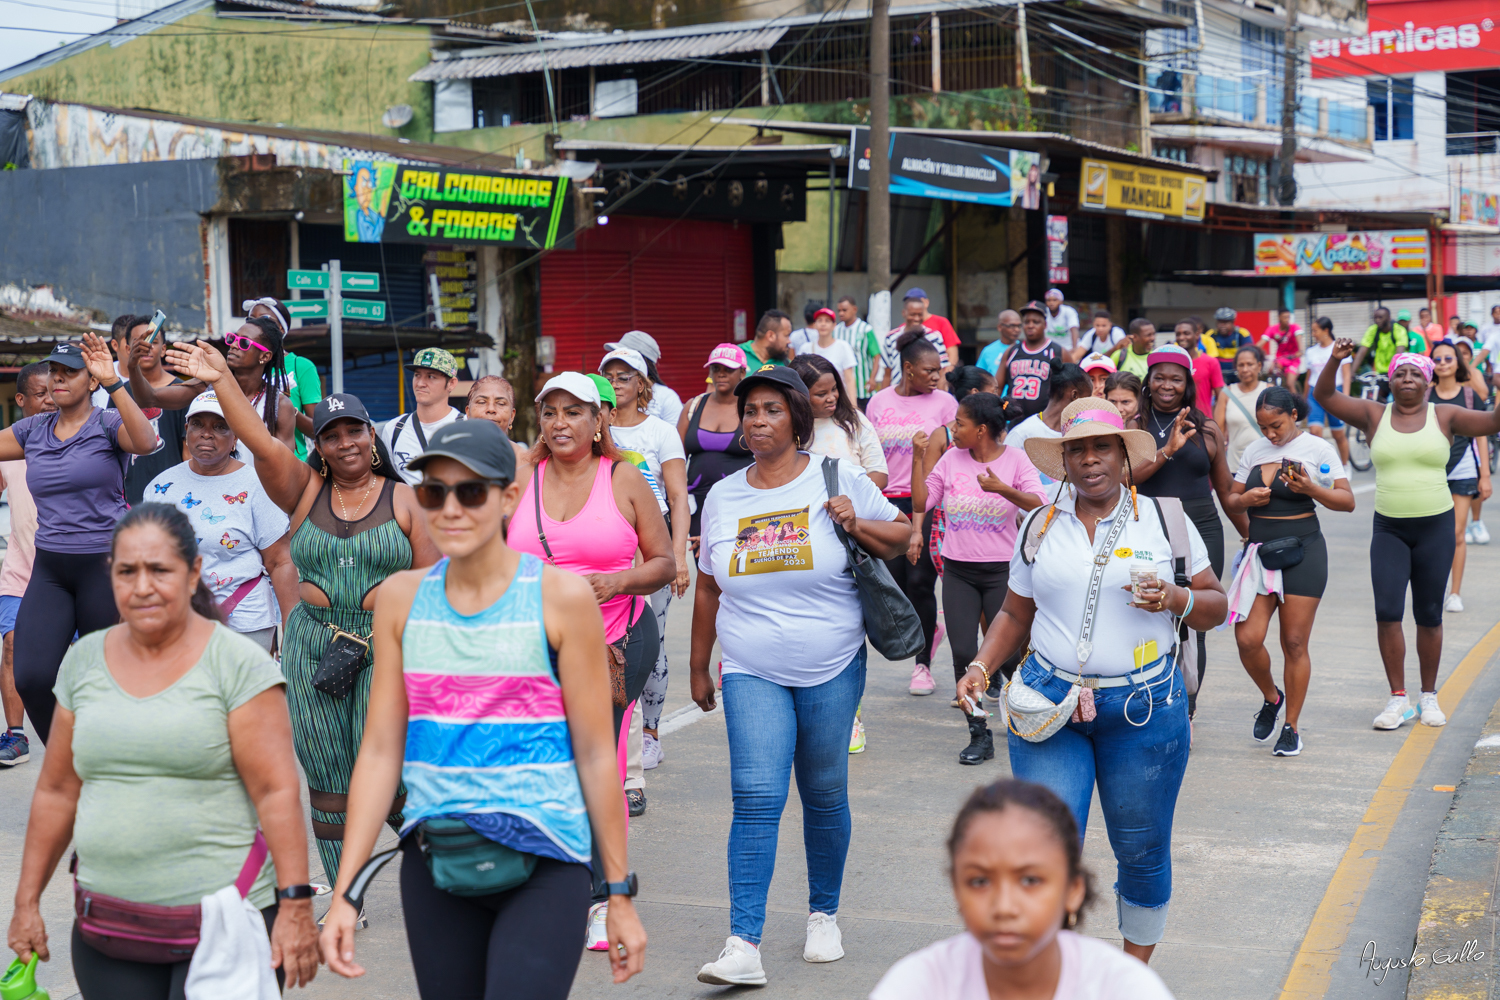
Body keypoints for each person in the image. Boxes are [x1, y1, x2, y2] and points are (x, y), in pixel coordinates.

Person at [319, 420, 647, 997]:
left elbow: (597, 754)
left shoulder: (560, 597)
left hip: (546, 859)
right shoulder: (402, 598)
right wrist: (346, 892)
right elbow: (380, 750)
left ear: (509, 497)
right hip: (436, 859)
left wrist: (617, 893)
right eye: (433, 492)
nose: (450, 508)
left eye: (470, 491)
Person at [6, 504, 320, 997]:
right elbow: (58, 791)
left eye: (160, 570)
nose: (143, 586)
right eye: (127, 571)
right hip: (108, 928)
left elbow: (277, 792)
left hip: (225, 925)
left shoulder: (237, 664)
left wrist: (296, 906)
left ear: (194, 572)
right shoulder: (85, 661)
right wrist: (26, 902)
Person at [957, 398, 1226, 964]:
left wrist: (1175, 599)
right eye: (1076, 450)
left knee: (1142, 849)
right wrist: (981, 666)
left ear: (1123, 454)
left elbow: (1216, 605)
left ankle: (1131, 974)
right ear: (1064, 461)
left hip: (1144, 708)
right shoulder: (1039, 524)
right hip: (1048, 704)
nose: (1090, 460)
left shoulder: (1164, 519)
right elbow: (1012, 614)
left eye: (1101, 447)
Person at [165, 338, 442, 888]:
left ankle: (438, 866)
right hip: (312, 642)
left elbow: (434, 589)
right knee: (325, 773)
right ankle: (346, 892)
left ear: (372, 437)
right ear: (320, 445)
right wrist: (222, 379)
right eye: (331, 436)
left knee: (392, 772)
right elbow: (261, 443)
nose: (344, 444)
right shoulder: (303, 491)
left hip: (385, 646)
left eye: (354, 432)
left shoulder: (406, 501)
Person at [690, 365, 908, 986]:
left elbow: (902, 535)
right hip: (751, 666)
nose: (757, 422)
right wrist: (698, 661)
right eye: (749, 411)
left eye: (771, 411)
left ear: (797, 419)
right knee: (756, 797)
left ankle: (823, 914)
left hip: (831, 664)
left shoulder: (834, 477)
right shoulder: (726, 494)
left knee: (823, 792)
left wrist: (853, 521)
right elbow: (708, 583)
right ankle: (742, 943)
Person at [506, 371, 674, 950]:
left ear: (598, 418)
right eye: (549, 413)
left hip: (615, 643)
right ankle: (552, 887)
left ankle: (607, 897)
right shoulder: (522, 477)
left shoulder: (624, 477)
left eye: (573, 412)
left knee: (599, 766)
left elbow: (664, 561)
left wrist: (618, 580)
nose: (560, 424)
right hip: (534, 648)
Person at [1314, 345, 1500, 730]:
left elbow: (1493, 422)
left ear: (1429, 382)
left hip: (1436, 528)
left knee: (1429, 615)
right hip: (1390, 529)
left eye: (1416, 374)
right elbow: (1324, 396)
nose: (1408, 380)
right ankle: (1398, 699)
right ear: (1391, 380)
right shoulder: (1373, 415)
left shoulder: (1445, 415)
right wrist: (1335, 359)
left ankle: (1428, 696)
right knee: (1387, 612)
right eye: (1401, 374)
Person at [869, 780, 1174, 1000]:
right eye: (979, 881)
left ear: (1073, 889)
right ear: (955, 889)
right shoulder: (919, 985)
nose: (1004, 907)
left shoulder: (1123, 988)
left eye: (1030, 880)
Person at [3, 338, 159, 745]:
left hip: (104, 566)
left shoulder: (106, 424)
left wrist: (115, 383)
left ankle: (114, 765)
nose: (58, 378)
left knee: (102, 682)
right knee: (32, 676)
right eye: (54, 370)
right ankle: (71, 759)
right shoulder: (32, 429)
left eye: (70, 371)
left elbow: (145, 442)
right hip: (51, 568)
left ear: (91, 381)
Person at [1223, 388, 1354, 757]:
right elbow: (1232, 497)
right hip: (1260, 554)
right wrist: (1244, 501)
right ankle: (1271, 696)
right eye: (1264, 427)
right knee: (1247, 638)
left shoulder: (1318, 449)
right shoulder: (1254, 451)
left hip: (1304, 551)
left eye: (1276, 426)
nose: (1270, 435)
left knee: (1294, 643)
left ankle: (1291, 727)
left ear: (1293, 414)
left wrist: (1311, 487)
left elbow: (1347, 501)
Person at [922, 392, 1046, 764]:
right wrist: (917, 458)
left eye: (959, 423)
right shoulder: (950, 459)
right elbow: (922, 501)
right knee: (964, 652)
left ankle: (1031, 713)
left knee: (1008, 656)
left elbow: (1041, 505)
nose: (953, 429)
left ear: (981, 430)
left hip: (1002, 574)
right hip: (957, 570)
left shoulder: (1016, 460)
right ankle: (979, 734)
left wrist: (1003, 489)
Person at [1131, 344, 1248, 712]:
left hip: (1202, 525)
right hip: (1149, 527)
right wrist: (1167, 448)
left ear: (1188, 383)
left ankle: (1187, 706)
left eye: (1176, 379)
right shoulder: (1133, 427)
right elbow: (1124, 480)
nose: (1167, 385)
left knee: (1194, 621)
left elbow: (1226, 490)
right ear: (1148, 381)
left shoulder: (1208, 428)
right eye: (1160, 377)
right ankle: (1152, 697)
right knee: (1149, 612)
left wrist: (1250, 533)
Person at [599, 347, 690, 794]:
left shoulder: (660, 432)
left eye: (624, 376)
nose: (616, 383)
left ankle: (650, 732)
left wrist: (678, 557)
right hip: (606, 550)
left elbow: (677, 498)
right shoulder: (595, 427)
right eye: (609, 376)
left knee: (647, 641)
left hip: (650, 551)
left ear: (642, 384)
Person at [144, 391, 296, 652]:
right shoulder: (160, 487)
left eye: (220, 427)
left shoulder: (257, 485)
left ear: (236, 436)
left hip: (245, 624)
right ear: (186, 430)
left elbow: (280, 561)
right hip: (177, 622)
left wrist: (294, 634)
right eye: (198, 424)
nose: (206, 433)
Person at [866, 331, 958, 696]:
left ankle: (922, 665)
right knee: (894, 583)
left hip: (927, 501)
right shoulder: (878, 402)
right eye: (930, 370)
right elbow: (871, 454)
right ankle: (931, 630)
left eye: (939, 370)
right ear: (908, 369)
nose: (937, 376)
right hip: (885, 503)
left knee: (921, 581)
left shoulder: (945, 404)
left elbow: (953, 453)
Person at [128, 316, 297, 456]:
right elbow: (148, 399)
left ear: (265, 356)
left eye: (244, 343)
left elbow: (285, 467)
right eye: (233, 338)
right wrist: (133, 366)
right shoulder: (209, 386)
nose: (234, 345)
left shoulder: (279, 405)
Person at [0, 362, 52, 767]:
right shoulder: (9, 446)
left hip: (71, 571)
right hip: (20, 569)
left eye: (57, 390)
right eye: (41, 394)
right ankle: (16, 735)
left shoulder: (78, 438)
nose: (51, 399)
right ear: (21, 401)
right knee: (13, 646)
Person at [1428, 341, 1492, 612]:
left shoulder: (1469, 397)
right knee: (1431, 535)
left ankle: (1454, 593)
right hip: (1429, 470)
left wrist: (1485, 475)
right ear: (1431, 364)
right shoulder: (1423, 396)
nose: (1443, 363)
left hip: (1463, 468)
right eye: (1438, 359)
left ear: (1457, 363)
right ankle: (1433, 588)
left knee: (1456, 533)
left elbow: (1480, 435)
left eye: (1448, 358)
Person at [679, 345, 754, 548]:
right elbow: (676, 459)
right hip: (699, 505)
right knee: (703, 564)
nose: (720, 374)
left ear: (742, 372)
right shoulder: (693, 406)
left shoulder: (751, 408)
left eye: (727, 369)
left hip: (741, 502)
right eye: (715, 369)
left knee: (737, 564)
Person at [109, 315, 188, 506]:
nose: (146, 347)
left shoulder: (182, 392)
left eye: (153, 341)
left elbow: (189, 454)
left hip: (174, 497)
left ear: (163, 349)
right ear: (127, 349)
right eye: (139, 342)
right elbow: (111, 450)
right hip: (129, 498)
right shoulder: (120, 394)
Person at [795, 354, 888, 490]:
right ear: (799, 396)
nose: (832, 398)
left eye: (834, 389)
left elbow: (879, 474)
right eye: (821, 394)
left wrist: (848, 500)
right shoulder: (789, 428)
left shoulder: (854, 420)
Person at [244, 298, 322, 460]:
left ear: (280, 328)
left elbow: (318, 430)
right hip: (246, 463)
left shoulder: (301, 366)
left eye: (264, 319)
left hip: (292, 463)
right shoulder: (244, 366)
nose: (256, 325)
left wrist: (287, 409)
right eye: (251, 320)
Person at [382, 347, 464, 485]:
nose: (420, 383)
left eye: (431, 376)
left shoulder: (467, 427)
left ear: (451, 383)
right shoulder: (394, 429)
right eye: (417, 375)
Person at [1002, 366, 1093, 471]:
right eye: (1086, 400)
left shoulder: (1078, 434)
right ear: (1074, 395)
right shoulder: (1022, 434)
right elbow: (1003, 477)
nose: (1086, 407)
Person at [995, 302, 1067, 428]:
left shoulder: (1057, 352)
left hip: (1046, 423)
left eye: (1035, 322)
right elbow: (997, 387)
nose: (1030, 325)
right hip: (1014, 423)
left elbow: (1073, 386)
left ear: (1045, 325)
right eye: (1027, 322)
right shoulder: (1012, 352)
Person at [1305, 318, 1353, 475]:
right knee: (1315, 432)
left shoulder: (1339, 348)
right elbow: (1308, 377)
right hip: (1314, 394)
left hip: (1335, 392)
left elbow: (1346, 375)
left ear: (1326, 331)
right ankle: (1318, 468)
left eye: (1315, 330)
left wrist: (1345, 397)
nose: (1313, 334)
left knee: (1338, 434)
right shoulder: (1311, 351)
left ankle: (1345, 466)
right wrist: (1304, 400)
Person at [605, 330, 682, 428]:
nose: (615, 385)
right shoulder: (607, 391)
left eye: (623, 378)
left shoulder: (667, 398)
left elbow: (674, 436)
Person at [1215, 345, 1270, 474]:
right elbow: (1218, 432)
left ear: (1259, 366)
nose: (1245, 369)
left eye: (1250, 364)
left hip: (1267, 464)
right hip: (1235, 466)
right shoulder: (1226, 394)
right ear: (1236, 368)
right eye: (1241, 365)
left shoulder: (1269, 391)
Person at [876, 299, 949, 390]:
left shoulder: (934, 337)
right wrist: (884, 397)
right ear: (904, 313)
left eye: (920, 314)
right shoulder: (891, 337)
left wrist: (941, 397)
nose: (916, 318)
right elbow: (887, 372)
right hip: (898, 393)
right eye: (912, 314)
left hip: (927, 393)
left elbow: (941, 372)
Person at [465, 373, 532, 473]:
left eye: (500, 403)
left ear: (512, 416)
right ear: (468, 413)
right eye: (482, 402)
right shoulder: (450, 456)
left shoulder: (528, 462)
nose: (491, 409)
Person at [829, 295, 882, 405]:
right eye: (839, 311)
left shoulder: (865, 329)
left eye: (844, 310)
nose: (841, 313)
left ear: (854, 309)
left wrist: (872, 379)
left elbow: (876, 356)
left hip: (863, 388)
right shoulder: (836, 330)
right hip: (843, 388)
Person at [796, 307, 858, 400]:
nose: (823, 324)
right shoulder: (805, 348)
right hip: (811, 402)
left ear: (834, 325)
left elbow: (849, 380)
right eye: (819, 321)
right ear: (814, 324)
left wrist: (853, 405)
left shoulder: (843, 347)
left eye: (827, 321)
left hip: (837, 400)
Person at [1175, 319, 1224, 415]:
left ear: (1197, 335)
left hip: (1203, 422)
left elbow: (1221, 397)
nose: (1181, 337)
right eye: (1178, 334)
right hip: (1176, 421)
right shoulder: (1172, 363)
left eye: (1186, 333)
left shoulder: (1211, 362)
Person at [1353, 308, 1410, 390]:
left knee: (1394, 399)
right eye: (1375, 318)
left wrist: (1394, 372)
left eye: (1380, 317)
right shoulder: (1373, 330)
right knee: (1375, 396)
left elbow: (1399, 355)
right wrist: (1351, 373)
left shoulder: (1399, 330)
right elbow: (1362, 352)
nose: (1377, 320)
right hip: (1379, 373)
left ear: (1389, 318)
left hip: (1396, 371)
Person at [904, 287, 961, 368]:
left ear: (926, 303)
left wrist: (947, 375)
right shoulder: (902, 330)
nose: (915, 304)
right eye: (910, 302)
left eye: (918, 301)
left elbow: (952, 353)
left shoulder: (941, 322)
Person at [1202, 307, 1252, 380]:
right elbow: (1203, 354)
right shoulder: (1210, 334)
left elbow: (1249, 353)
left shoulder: (1242, 334)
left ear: (1232, 322)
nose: (1222, 325)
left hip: (1237, 372)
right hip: (1217, 372)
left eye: (1225, 323)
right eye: (1220, 322)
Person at [1258, 309, 1302, 383]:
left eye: (1288, 317)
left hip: (1293, 360)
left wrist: (1299, 352)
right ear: (1279, 318)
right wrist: (1252, 351)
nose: (1287, 320)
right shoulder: (1273, 329)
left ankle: (1295, 394)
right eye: (1284, 317)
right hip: (1280, 359)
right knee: (1271, 371)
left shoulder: (1295, 328)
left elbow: (1300, 348)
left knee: (1290, 383)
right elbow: (1262, 342)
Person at [976, 309, 1022, 376]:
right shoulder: (988, 351)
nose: (1017, 330)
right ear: (1000, 327)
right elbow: (979, 377)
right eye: (1012, 326)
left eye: (1019, 326)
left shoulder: (1024, 349)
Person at [1041, 288, 1080, 356]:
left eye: (1055, 300)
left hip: (1069, 349)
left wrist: (1074, 349)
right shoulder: (1044, 313)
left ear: (1061, 301)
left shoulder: (1069, 311)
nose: (1051, 303)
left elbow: (1074, 330)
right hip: (1049, 350)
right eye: (1049, 300)